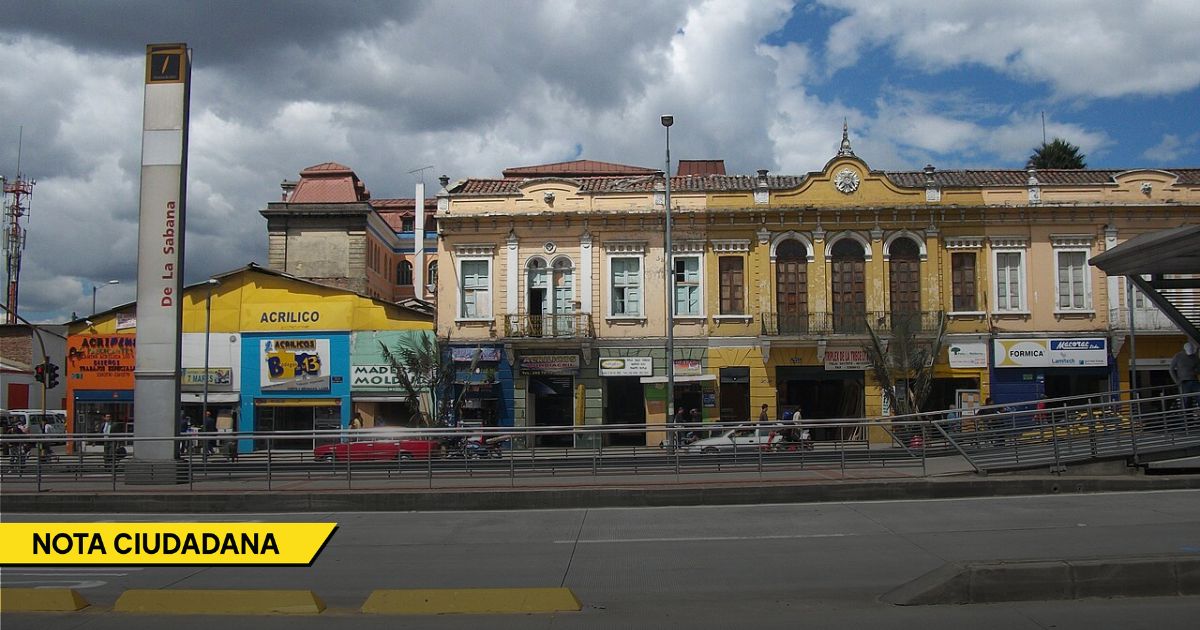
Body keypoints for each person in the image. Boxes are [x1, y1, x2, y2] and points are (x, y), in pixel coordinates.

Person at [1170, 341, 1200, 411]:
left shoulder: (1195, 357)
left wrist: (1195, 371)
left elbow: (1199, 368)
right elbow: (1171, 369)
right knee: (1186, 401)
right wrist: (1176, 381)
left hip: (1194, 380)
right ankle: (1187, 418)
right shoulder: (1178, 356)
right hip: (1184, 382)